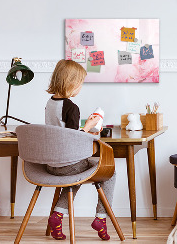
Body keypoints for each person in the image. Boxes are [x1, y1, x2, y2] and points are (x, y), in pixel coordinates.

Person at [45, 59, 115, 241]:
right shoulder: (71, 107)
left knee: (76, 176)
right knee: (110, 172)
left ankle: (57, 216)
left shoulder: (50, 103)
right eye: (80, 83)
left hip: (51, 164)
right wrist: (89, 127)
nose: (80, 87)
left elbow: (62, 132)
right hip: (68, 164)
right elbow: (72, 139)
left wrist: (84, 127)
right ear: (71, 83)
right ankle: (101, 218)